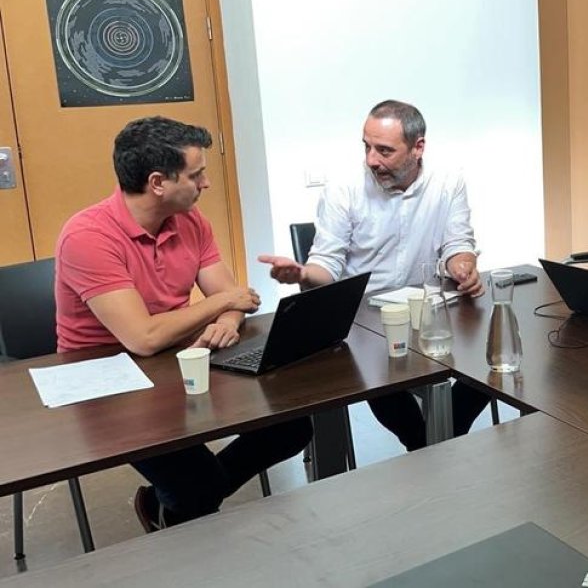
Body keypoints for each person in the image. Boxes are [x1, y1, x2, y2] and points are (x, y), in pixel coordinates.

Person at [55, 116, 312, 531]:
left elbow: (233, 298)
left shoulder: (191, 221)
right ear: (158, 182)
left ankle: (167, 502)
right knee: (198, 485)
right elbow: (142, 337)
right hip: (108, 382)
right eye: (196, 175)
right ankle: (178, 508)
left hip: (176, 361)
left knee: (292, 425)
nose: (205, 183)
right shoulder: (87, 235)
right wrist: (225, 302)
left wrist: (228, 314)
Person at [258, 100, 491, 449]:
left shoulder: (448, 182)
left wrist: (463, 263)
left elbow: (458, 242)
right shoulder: (344, 189)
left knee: (493, 354)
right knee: (377, 375)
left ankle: (440, 440)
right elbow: (326, 265)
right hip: (363, 326)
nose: (371, 160)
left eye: (384, 150)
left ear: (418, 147)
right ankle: (430, 446)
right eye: (366, 147)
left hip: (427, 313)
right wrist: (304, 274)